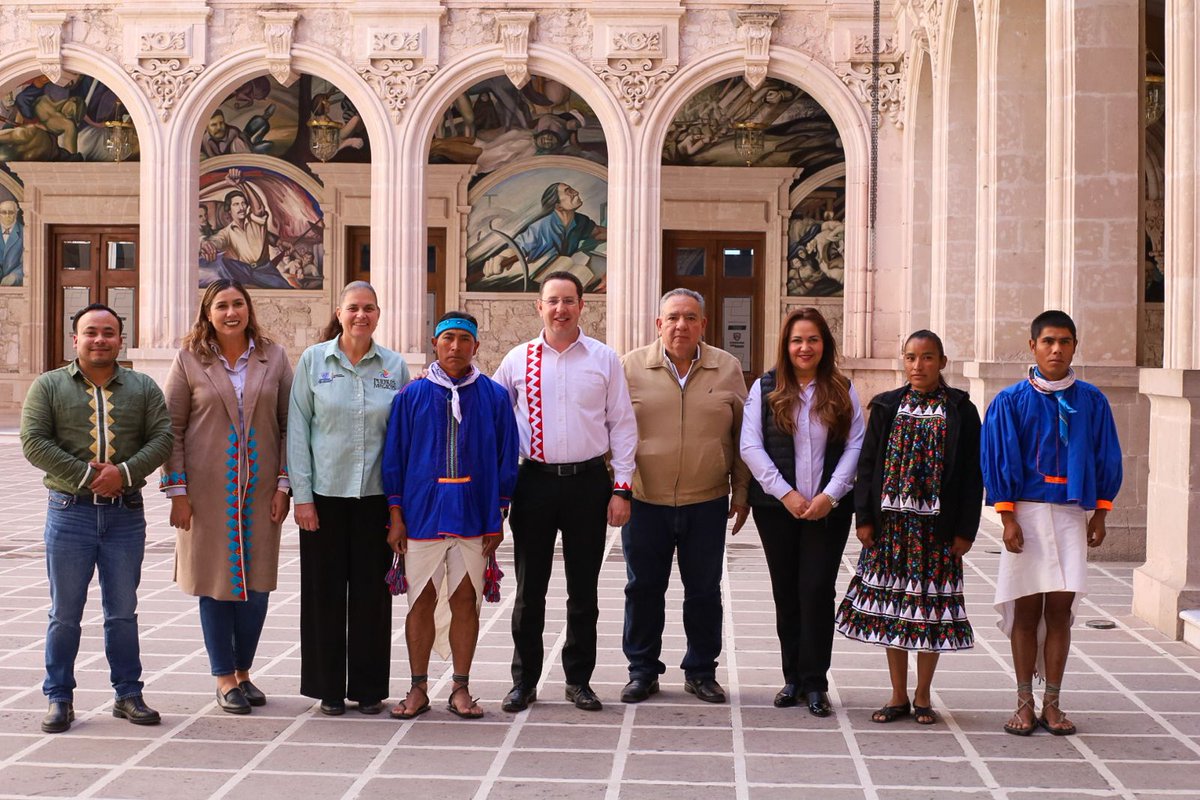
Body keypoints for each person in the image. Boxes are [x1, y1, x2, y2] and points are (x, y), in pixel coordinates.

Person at [20, 303, 173, 734]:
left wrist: (122, 475)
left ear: (120, 339)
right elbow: (33, 442)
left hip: (126, 516)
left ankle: (128, 694)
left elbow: (163, 438)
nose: (100, 339)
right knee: (64, 613)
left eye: (108, 332)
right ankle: (59, 697)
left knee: (122, 612)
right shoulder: (49, 386)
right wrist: (91, 477)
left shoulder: (142, 387)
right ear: (75, 339)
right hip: (69, 515)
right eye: (91, 332)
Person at [493, 271, 637, 713]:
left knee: (584, 591)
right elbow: (496, 423)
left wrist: (622, 489)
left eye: (569, 300)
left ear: (582, 306)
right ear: (539, 306)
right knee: (529, 589)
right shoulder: (517, 360)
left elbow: (623, 425)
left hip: (588, 485)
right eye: (552, 300)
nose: (561, 309)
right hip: (532, 483)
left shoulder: (603, 358)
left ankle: (579, 681)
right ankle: (524, 681)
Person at [982, 310, 1122, 736]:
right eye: (1048, 342)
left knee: (1059, 611)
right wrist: (1007, 518)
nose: (1056, 349)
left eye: (1064, 341)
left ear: (1075, 346)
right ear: (1033, 347)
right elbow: (998, 459)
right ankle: (1023, 702)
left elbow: (1105, 455)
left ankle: (1053, 703)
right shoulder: (1010, 401)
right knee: (1026, 609)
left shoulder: (1092, 401)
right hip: (1025, 512)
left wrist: (1100, 512)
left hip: (1068, 513)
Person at [834, 330, 983, 725]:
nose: (919, 366)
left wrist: (966, 529)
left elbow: (971, 474)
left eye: (928, 357)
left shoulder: (962, 410)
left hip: (936, 531)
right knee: (895, 612)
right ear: (903, 361)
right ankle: (897, 694)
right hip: (891, 530)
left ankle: (923, 696)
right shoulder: (886, 406)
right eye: (911, 357)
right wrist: (863, 518)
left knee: (929, 612)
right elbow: (867, 468)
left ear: (942, 363)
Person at [160, 280, 293, 714]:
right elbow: (172, 428)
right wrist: (177, 491)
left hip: (260, 492)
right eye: (222, 305)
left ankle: (244, 672)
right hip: (205, 492)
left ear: (249, 309)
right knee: (215, 584)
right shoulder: (188, 360)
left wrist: (283, 484)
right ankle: (223, 677)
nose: (231, 312)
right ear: (208, 312)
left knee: (257, 585)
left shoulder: (273, 357)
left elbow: (291, 423)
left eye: (238, 304)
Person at [383, 312, 518, 720]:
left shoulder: (493, 396)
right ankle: (418, 686)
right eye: (448, 339)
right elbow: (394, 458)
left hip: (475, 515)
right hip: (422, 514)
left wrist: (499, 515)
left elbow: (506, 458)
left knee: (465, 599)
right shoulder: (412, 395)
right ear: (434, 343)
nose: (455, 347)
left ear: (476, 346)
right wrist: (396, 515)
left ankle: (461, 686)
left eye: (464, 339)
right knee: (419, 599)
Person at [619, 289, 750, 704]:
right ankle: (642, 670)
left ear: (703, 325)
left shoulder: (727, 368)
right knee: (643, 589)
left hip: (706, 499)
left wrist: (741, 491)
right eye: (672, 317)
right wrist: (617, 489)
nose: (681, 325)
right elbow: (613, 432)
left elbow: (744, 436)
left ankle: (701, 670)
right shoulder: (630, 367)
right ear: (659, 324)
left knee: (705, 591)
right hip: (645, 499)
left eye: (690, 317)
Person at [287, 281, 410, 716]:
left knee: (371, 597)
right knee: (323, 594)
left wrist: (400, 509)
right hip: (324, 497)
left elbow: (403, 439)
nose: (361, 315)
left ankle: (369, 687)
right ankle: (328, 689)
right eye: (353, 308)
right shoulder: (313, 361)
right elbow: (298, 430)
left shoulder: (394, 366)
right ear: (339, 312)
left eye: (369, 309)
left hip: (376, 499)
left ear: (379, 314)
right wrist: (302, 498)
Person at [740, 307, 864, 716]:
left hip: (828, 511)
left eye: (812, 339)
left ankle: (815, 682)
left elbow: (855, 447)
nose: (804, 347)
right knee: (786, 591)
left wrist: (830, 494)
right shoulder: (766, 386)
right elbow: (751, 447)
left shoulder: (843, 388)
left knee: (816, 590)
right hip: (778, 510)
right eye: (797, 340)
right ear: (786, 345)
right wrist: (786, 494)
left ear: (824, 344)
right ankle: (791, 678)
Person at [0, 199, 23, 286]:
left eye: (11, 212)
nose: (7, 216)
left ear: (16, 213)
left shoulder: (25, 232)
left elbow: (29, 261)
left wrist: (15, 276)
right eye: (3, 212)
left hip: (14, 286)